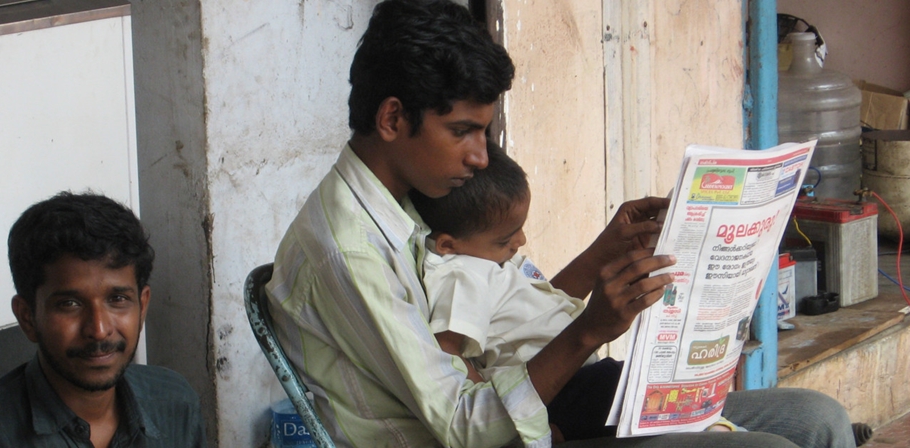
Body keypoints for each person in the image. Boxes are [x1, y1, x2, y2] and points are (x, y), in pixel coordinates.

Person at [266, 0, 856, 447]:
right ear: (393, 118)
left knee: (819, 420)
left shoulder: (414, 198)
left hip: (544, 407)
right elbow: (467, 427)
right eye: (462, 131)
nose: (478, 156)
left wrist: (606, 252)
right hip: (508, 435)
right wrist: (589, 331)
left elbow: (505, 311)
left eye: (484, 133)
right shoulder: (348, 252)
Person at [411, 144, 743, 441]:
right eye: (506, 238)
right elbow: (450, 352)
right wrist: (511, 425)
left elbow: (531, 313)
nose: (521, 241)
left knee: (633, 385)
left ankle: (710, 426)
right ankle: (714, 430)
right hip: (555, 392)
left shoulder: (483, 256)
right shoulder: (462, 274)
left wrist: (605, 250)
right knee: (623, 384)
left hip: (571, 381)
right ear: (447, 245)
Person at [0, 192, 205, 448]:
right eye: (70, 304)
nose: (99, 330)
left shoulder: (175, 404)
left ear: (142, 305)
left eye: (117, 299)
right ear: (27, 318)